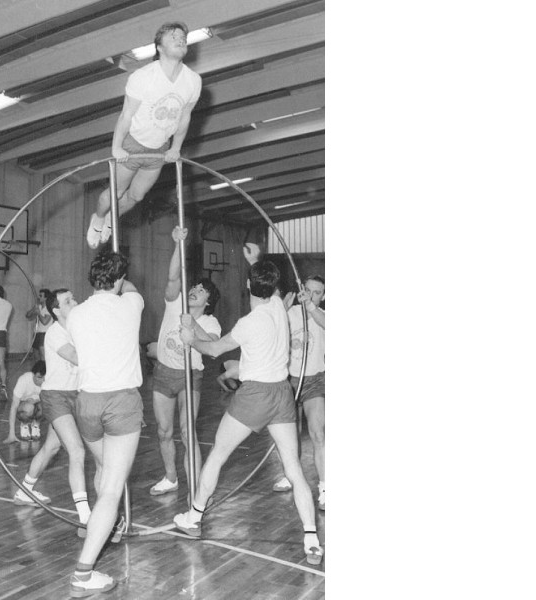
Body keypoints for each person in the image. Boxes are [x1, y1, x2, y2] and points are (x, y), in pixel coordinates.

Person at [172, 244, 323, 565]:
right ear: (274, 289)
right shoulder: (280, 310)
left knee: (217, 455)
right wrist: (256, 262)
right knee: (293, 467)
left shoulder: (249, 322)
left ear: (247, 286)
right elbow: (274, 288)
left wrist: (190, 339)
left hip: (255, 395)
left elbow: (214, 350)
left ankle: (194, 518)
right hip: (282, 394)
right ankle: (311, 536)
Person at [65, 250, 144, 596]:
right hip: (121, 402)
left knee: (103, 466)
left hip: (87, 403)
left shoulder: (75, 315)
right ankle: (83, 572)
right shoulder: (131, 304)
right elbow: (133, 289)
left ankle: (104, 522)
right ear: (118, 280)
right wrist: (121, 278)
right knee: (112, 488)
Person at [85, 22, 202, 249]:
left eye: (183, 37)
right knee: (115, 193)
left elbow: (184, 117)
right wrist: (116, 147)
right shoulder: (143, 76)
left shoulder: (193, 81)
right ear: (159, 46)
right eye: (173, 36)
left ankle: (111, 219)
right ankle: (98, 219)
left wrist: (176, 147)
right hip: (134, 145)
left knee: (137, 197)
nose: (181, 39)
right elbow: (126, 115)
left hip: (158, 150)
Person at [10, 289, 93, 535]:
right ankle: (86, 517)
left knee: (51, 448)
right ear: (56, 310)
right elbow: (77, 358)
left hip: (75, 395)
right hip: (55, 397)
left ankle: (25, 490)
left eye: (73, 297)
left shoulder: (79, 329)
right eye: (68, 301)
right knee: (76, 451)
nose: (75, 301)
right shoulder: (56, 333)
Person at [149, 226, 221, 496]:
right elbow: (172, 278)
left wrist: (192, 325)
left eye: (202, 290)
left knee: (186, 431)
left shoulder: (210, 321)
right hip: (163, 373)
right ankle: (170, 478)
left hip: (190, 377)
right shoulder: (174, 302)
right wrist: (178, 245)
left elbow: (212, 347)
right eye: (194, 286)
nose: (195, 290)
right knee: (164, 431)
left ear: (208, 300)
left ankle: (195, 488)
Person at [271, 276, 325, 510]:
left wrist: (312, 307)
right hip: (288, 380)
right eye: (308, 290)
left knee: (318, 433)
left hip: (314, 380)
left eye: (317, 292)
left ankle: (325, 487)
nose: (311, 295)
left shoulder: (322, 315)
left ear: (322, 296)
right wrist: (279, 311)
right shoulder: (290, 312)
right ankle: (291, 475)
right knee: (290, 436)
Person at [3, 361, 46, 443]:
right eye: (39, 377)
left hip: (37, 404)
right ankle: (24, 424)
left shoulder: (47, 381)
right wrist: (11, 434)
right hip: (23, 407)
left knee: (46, 406)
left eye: (44, 377)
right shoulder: (24, 380)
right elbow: (14, 406)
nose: (42, 381)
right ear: (33, 374)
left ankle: (36, 424)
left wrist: (36, 400)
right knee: (29, 407)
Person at [26, 288, 53, 362]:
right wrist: (34, 308)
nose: (39, 297)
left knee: (43, 356)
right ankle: (38, 372)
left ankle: (45, 372)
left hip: (44, 334)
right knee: (36, 356)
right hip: (36, 333)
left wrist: (38, 313)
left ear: (46, 298)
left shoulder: (49, 308)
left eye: (41, 296)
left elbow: (45, 321)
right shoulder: (39, 307)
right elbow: (28, 316)